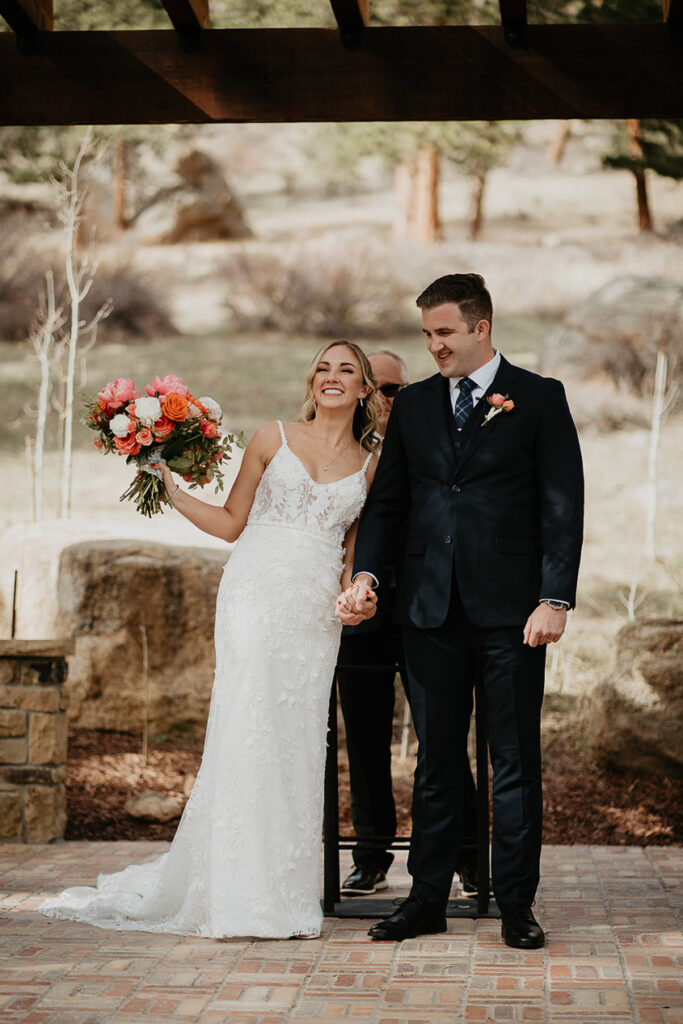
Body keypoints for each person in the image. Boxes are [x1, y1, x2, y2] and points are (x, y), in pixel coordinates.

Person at [40, 340, 381, 940]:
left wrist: (354, 598)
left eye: (346, 370)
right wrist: (169, 485)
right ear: (312, 381)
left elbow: (353, 552)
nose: (332, 377)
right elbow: (230, 523)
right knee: (248, 725)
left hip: (312, 612)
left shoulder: (371, 462)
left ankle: (283, 894)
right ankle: (234, 892)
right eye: (323, 368)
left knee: (297, 739)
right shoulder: (272, 437)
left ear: (363, 389)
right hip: (252, 592)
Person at [337, 274, 584, 949]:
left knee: (513, 761)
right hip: (427, 610)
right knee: (436, 763)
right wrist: (367, 576)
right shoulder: (414, 405)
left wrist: (554, 598)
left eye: (443, 332)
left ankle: (514, 905)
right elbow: (388, 505)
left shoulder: (537, 398)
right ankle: (424, 900)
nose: (433, 345)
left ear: (481, 328)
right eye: (426, 334)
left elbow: (562, 505)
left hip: (513, 615)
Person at [338, 351, 479, 899]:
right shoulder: (339, 451)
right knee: (364, 739)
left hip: (429, 607)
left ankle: (467, 857)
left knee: (440, 738)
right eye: (374, 388)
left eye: (394, 388)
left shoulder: (436, 436)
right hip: (361, 611)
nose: (383, 399)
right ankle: (371, 856)